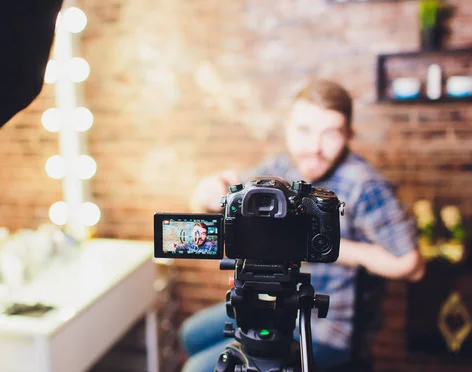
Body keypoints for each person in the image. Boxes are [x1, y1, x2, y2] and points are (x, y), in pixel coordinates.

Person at [179, 80, 426, 372]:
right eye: (304, 130)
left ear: (349, 135)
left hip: (322, 324)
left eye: (330, 133)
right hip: (267, 303)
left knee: (195, 368)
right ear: (288, 130)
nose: (314, 148)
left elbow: (412, 265)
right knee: (189, 335)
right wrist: (204, 192)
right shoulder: (282, 168)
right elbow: (220, 202)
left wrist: (320, 244)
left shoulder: (363, 184)